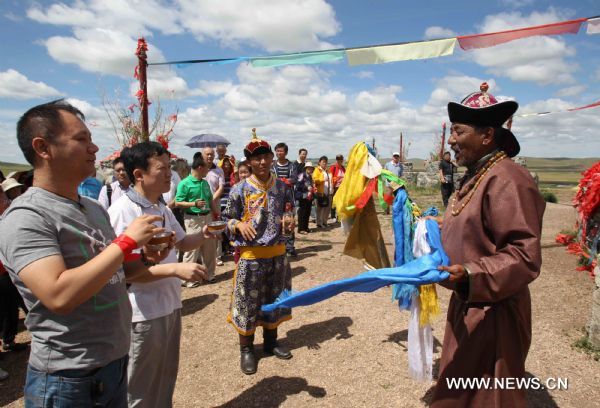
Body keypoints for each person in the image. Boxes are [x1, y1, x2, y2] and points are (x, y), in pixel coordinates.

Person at [0, 99, 176, 406]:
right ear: (43, 148)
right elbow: (58, 294)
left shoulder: (93, 209)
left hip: (112, 364)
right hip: (68, 378)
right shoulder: (26, 216)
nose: (94, 149)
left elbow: (119, 273)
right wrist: (125, 243)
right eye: (81, 140)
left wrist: (145, 257)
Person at [431, 84, 545, 407]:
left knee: (487, 398)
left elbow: (524, 255)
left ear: (486, 136)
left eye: (458, 131)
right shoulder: (475, 176)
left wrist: (469, 274)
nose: (451, 140)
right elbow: (474, 227)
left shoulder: (508, 179)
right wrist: (439, 227)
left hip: (495, 315)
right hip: (470, 304)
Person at [108, 141, 208, 407]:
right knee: (139, 386)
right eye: (162, 168)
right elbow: (127, 272)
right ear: (139, 175)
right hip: (141, 311)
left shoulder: (161, 209)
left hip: (169, 303)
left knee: (165, 377)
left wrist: (206, 234)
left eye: (169, 167)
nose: (169, 174)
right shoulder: (122, 212)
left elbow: (183, 242)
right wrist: (176, 269)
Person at [222, 128, 294, 375]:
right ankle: (246, 350)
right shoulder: (239, 189)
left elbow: (288, 210)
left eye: (266, 156)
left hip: (278, 254)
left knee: (274, 300)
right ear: (249, 162)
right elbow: (227, 219)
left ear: (272, 158)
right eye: (256, 158)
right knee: (248, 304)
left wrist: (289, 220)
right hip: (251, 257)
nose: (262, 162)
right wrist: (239, 224)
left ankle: (271, 343)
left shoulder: (283, 187)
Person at [175, 152, 220, 286]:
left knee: (210, 248)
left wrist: (216, 214)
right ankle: (187, 279)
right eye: (206, 168)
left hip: (207, 217)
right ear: (200, 168)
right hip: (193, 219)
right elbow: (178, 202)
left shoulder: (205, 183)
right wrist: (193, 204)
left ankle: (209, 274)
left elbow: (210, 200)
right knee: (191, 250)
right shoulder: (184, 183)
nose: (208, 170)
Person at [272, 142, 298, 257]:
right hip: (276, 198)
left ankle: (290, 247)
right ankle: (279, 246)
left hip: (289, 198)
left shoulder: (292, 165)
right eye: (277, 150)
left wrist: (281, 181)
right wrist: (284, 181)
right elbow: (271, 178)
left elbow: (294, 179)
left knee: (289, 222)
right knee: (277, 222)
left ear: (286, 152)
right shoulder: (273, 166)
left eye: (281, 151)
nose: (279, 153)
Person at [203, 146, 225, 265]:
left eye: (211, 154)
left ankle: (217, 255)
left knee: (216, 228)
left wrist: (211, 199)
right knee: (204, 228)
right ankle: (205, 255)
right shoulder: (199, 169)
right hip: (201, 204)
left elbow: (221, 187)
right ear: (203, 156)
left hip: (215, 202)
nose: (210, 156)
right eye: (207, 154)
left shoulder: (219, 170)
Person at [313, 156, 333, 228]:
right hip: (321, 192)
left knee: (327, 208)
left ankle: (325, 222)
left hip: (329, 192)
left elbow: (331, 180)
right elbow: (315, 179)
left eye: (326, 161)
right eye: (323, 161)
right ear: (319, 162)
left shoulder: (328, 170)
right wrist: (322, 179)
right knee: (320, 208)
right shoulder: (317, 170)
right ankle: (319, 223)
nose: (325, 163)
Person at [295, 161, 315, 234]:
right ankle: (301, 229)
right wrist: (306, 188)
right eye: (309, 168)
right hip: (302, 197)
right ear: (306, 168)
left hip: (309, 197)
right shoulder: (301, 175)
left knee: (307, 212)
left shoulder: (310, 176)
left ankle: (306, 228)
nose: (310, 170)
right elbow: (298, 186)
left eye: (311, 168)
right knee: (302, 213)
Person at [329, 154, 345, 219]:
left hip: (342, 188)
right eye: (338, 159)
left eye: (341, 159)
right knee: (334, 201)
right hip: (335, 187)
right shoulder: (333, 167)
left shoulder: (343, 168)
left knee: (340, 202)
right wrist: (336, 179)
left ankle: (339, 215)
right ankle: (333, 216)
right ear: (337, 160)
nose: (340, 160)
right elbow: (330, 177)